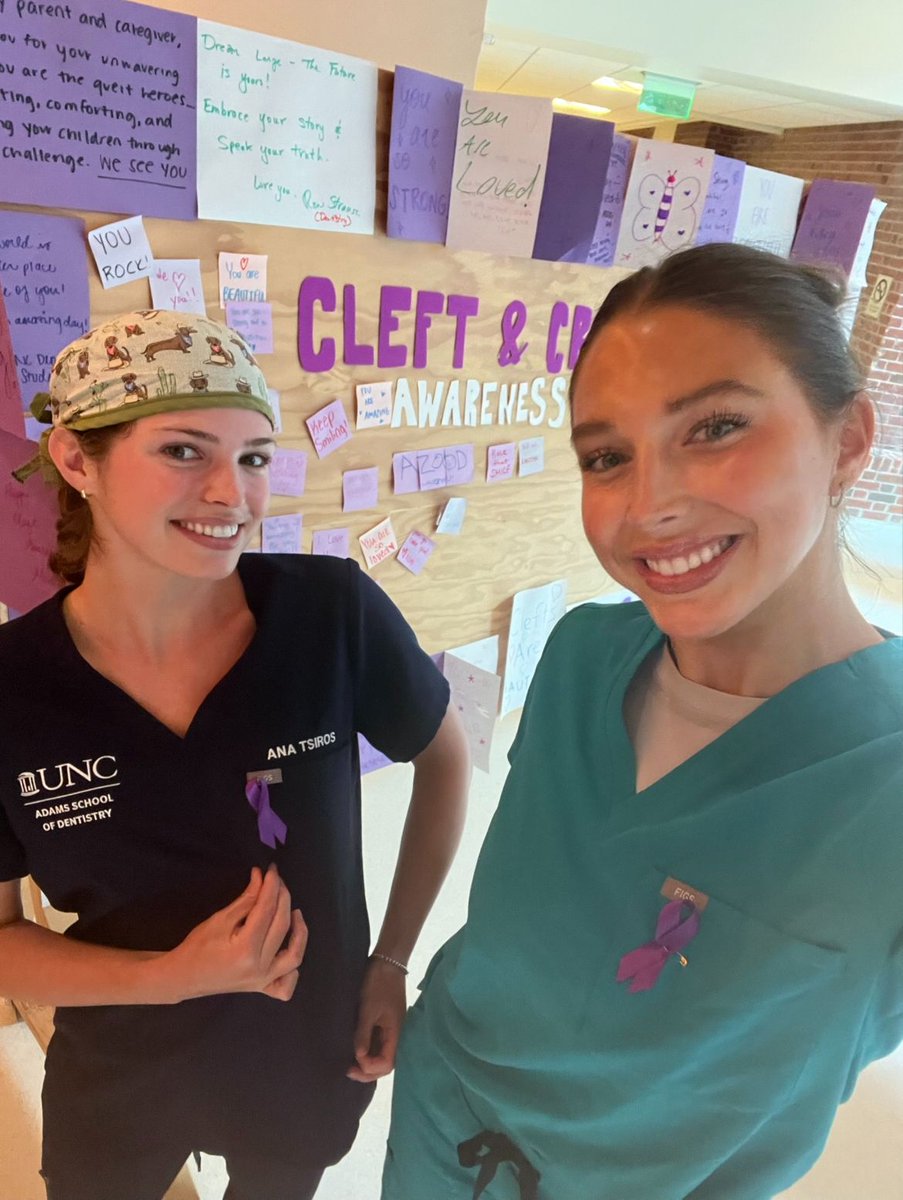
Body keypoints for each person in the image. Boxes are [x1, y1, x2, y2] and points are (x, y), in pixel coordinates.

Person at [382, 243, 903, 1200]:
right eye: (606, 456)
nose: (649, 505)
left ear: (849, 441)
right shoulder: (582, 655)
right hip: (438, 1117)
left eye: (714, 426)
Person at [0, 309, 470, 1200]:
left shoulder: (328, 614)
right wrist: (174, 976)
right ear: (74, 460)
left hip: (307, 1045)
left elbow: (443, 759)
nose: (233, 494)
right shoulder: (12, 690)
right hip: (122, 1058)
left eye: (254, 457)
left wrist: (392, 960)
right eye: (184, 451)